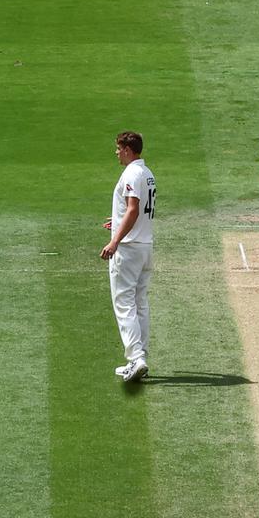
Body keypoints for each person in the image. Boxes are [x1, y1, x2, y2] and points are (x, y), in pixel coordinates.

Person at [100, 131, 157, 382]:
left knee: (124, 304)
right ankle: (138, 357)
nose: (116, 153)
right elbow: (135, 210)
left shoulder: (132, 173)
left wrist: (115, 240)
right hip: (145, 246)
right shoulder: (147, 173)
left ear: (127, 149)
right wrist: (117, 221)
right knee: (140, 303)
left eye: (118, 148)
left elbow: (133, 210)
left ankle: (136, 358)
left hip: (130, 249)